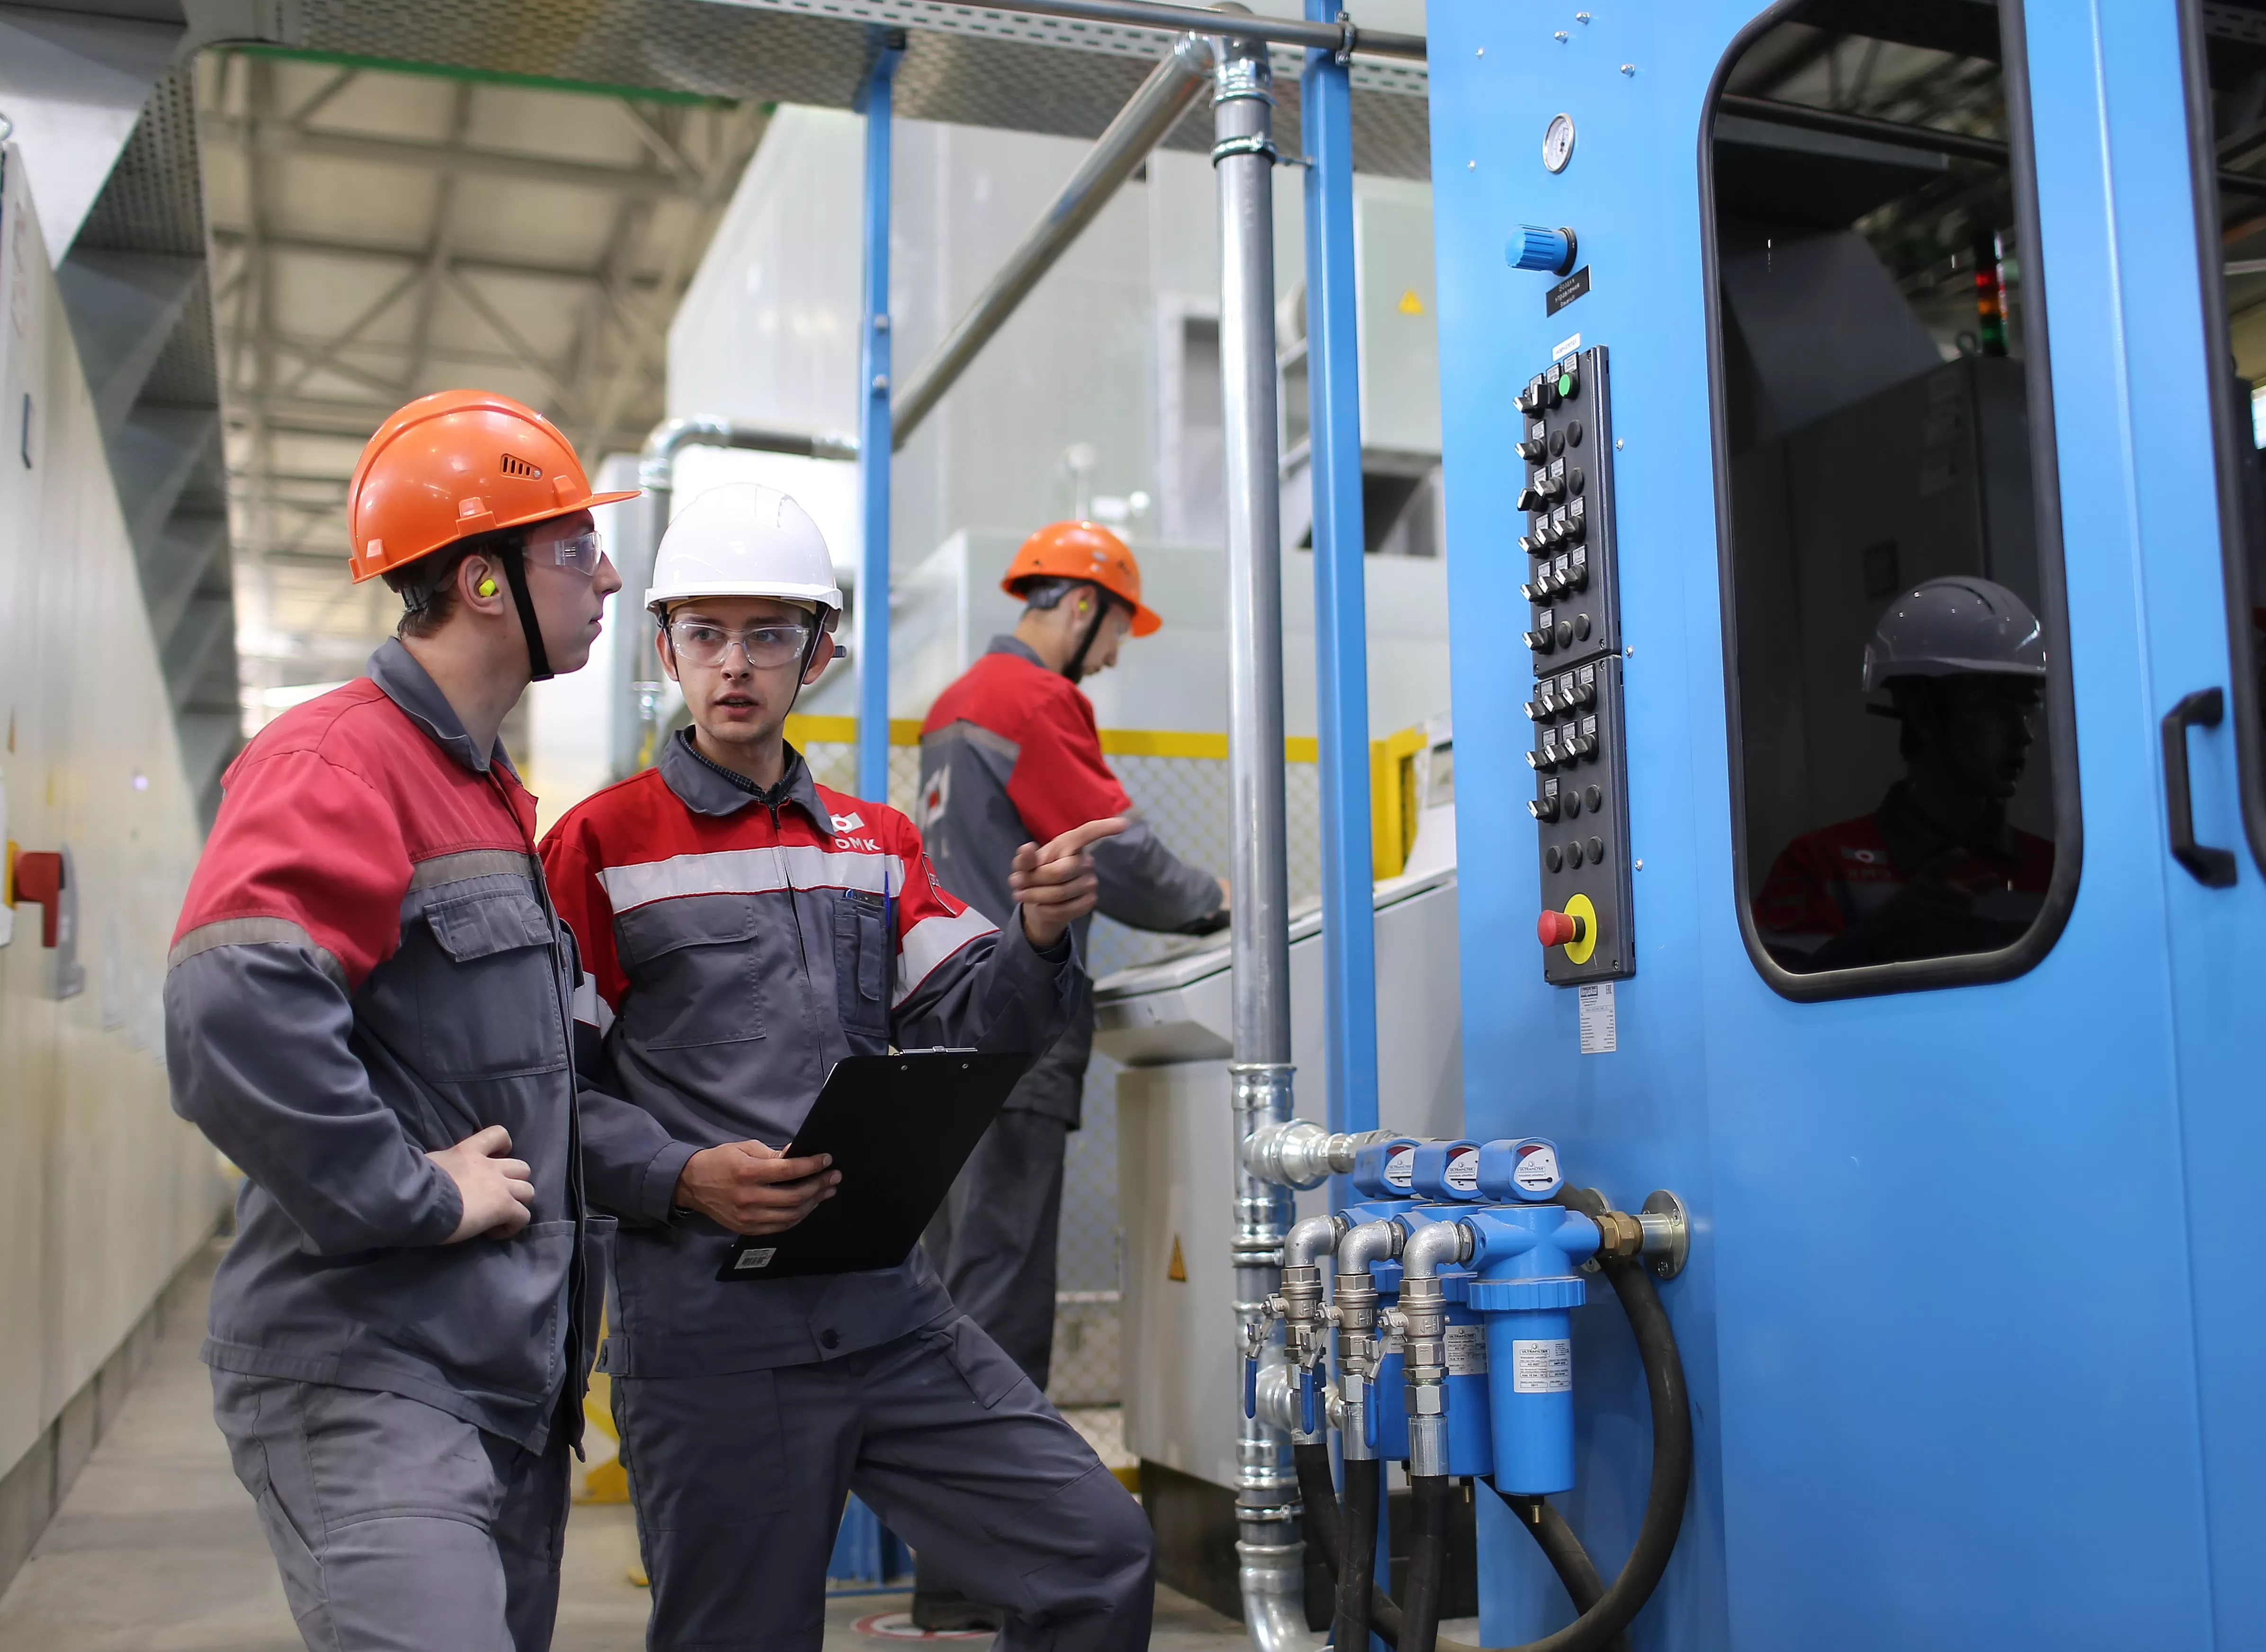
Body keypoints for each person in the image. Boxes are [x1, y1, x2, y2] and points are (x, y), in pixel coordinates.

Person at [538, 482, 1156, 1652]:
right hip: (711, 1338)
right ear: (666, 644)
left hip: (889, 1314)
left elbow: (975, 1022)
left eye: (768, 633)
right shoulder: (598, 847)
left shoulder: (878, 846)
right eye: (706, 633)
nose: (735, 664)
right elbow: (544, 1096)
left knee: (1094, 1552)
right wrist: (680, 1175)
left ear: (815, 652)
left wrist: (1034, 933)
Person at [164, 390, 633, 1652]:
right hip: (370, 1369)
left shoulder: (483, 795)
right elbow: (229, 1007)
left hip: (502, 1387)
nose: (607, 573)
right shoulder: (340, 761)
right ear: (484, 583)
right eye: (574, 546)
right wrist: (414, 1193)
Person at [909, 519, 1225, 1630]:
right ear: (1078, 604)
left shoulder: (953, 701)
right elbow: (1116, 848)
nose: (1113, 655)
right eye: (1112, 628)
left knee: (952, 1295)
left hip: (940, 1023)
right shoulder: (1031, 699)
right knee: (1001, 1304)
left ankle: (947, 1573)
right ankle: (993, 1571)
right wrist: (1212, 900)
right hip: (1011, 1026)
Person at [1753, 574, 2054, 971]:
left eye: (2029, 708)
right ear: (1921, 713)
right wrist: (1879, 938)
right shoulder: (1819, 867)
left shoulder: (2053, 871)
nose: (2023, 734)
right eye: (1999, 709)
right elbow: (1775, 1017)